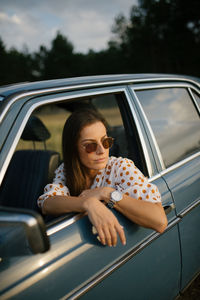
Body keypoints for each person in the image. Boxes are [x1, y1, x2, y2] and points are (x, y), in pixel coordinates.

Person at [38, 108, 168, 247]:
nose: (102, 150)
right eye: (90, 146)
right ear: (74, 149)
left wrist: (107, 193)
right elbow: (48, 203)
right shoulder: (65, 170)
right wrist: (89, 203)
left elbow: (160, 222)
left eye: (105, 142)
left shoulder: (120, 168)